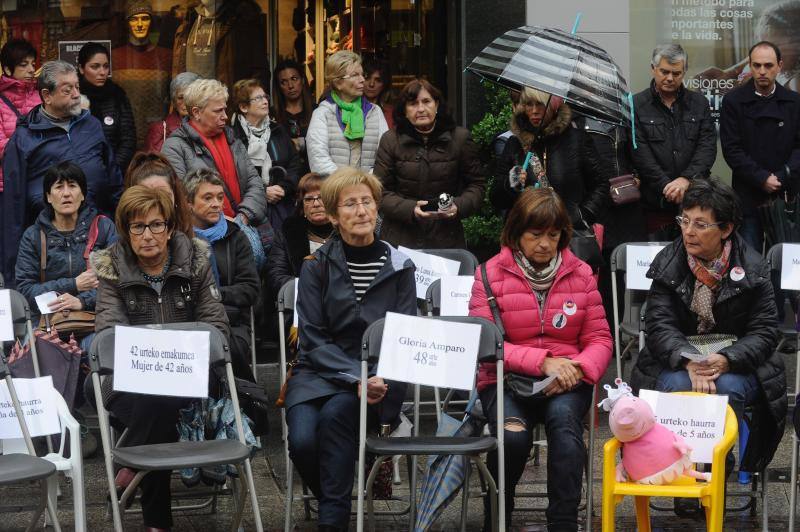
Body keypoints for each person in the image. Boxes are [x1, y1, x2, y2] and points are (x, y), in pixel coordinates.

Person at [469, 187, 612, 530]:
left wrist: (578, 368)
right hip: (505, 380)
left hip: (566, 380)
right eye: (535, 235)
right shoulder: (488, 275)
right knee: (513, 437)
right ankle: (498, 518)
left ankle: (563, 522)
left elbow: (599, 338)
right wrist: (543, 361)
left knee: (565, 430)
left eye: (553, 234)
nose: (545, 244)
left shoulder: (580, 274)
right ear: (516, 233)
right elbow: (485, 343)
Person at [285, 166, 416, 531]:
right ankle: (335, 500)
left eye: (367, 202)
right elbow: (311, 338)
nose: (361, 211)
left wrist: (374, 379)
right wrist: (353, 376)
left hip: (376, 379)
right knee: (302, 441)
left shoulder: (401, 265)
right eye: (350, 205)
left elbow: (403, 336)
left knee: (334, 420)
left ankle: (333, 521)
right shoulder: (315, 267)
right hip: (317, 373)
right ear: (332, 216)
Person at [92, 185, 229, 532]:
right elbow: (109, 334)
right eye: (138, 227)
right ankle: (154, 515)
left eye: (156, 225)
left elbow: (216, 325)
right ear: (126, 231)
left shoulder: (195, 263)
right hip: (128, 380)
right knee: (156, 400)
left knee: (161, 401)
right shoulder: (112, 271)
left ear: (169, 229)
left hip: (192, 376)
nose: (148, 235)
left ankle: (134, 472)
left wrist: (176, 353)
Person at [630, 178, 786, 477]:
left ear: (726, 229)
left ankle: (715, 470)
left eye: (701, 225)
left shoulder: (753, 267)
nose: (688, 231)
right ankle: (682, 473)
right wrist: (689, 359)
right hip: (678, 359)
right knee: (676, 387)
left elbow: (765, 331)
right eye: (684, 221)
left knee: (727, 389)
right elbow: (659, 325)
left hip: (737, 361)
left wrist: (728, 360)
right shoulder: (669, 262)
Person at [1, 60, 123, 287]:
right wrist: (11, 276)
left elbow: (113, 176)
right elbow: (12, 207)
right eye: (68, 90)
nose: (76, 94)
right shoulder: (24, 139)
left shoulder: (92, 125)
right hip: (49, 242)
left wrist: (122, 222)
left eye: (77, 86)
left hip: (96, 232)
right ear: (46, 96)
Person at [15, 161, 116, 350]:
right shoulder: (33, 236)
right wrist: (73, 285)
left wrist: (82, 301)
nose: (66, 193)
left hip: (94, 319)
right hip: (48, 322)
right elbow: (25, 290)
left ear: (83, 194)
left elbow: (118, 282)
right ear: (48, 196)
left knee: (102, 350)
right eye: (59, 187)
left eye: (73, 185)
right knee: (33, 356)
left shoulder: (103, 228)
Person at [374, 78, 485, 249]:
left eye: (426, 101)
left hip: (446, 236)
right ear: (404, 110)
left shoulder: (460, 138)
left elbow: (477, 185)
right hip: (400, 236)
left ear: (437, 105)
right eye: (413, 103)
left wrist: (457, 206)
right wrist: (410, 209)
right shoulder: (390, 140)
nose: (421, 109)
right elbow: (380, 191)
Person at [490, 87, 609, 231]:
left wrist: (581, 216)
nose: (534, 111)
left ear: (554, 106)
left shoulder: (577, 140)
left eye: (540, 104)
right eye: (529, 104)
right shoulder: (515, 144)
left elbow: (601, 184)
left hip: (568, 235)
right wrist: (510, 184)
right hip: (526, 235)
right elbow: (496, 199)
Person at [720, 40, 800, 252]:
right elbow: (732, 149)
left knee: (785, 265)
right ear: (750, 66)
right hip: (748, 196)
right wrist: (761, 178)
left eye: (768, 65)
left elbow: (799, 148)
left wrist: (782, 176)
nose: (762, 71)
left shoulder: (794, 102)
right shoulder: (733, 101)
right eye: (757, 65)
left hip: (786, 196)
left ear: (779, 66)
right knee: (749, 264)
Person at [633, 44, 717, 241]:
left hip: (695, 201)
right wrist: (667, 186)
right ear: (653, 68)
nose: (670, 78)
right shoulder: (636, 104)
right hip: (654, 203)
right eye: (664, 72)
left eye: (676, 73)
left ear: (684, 71)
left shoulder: (699, 103)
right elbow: (640, 154)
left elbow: (707, 148)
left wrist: (686, 179)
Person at [162, 78, 267, 226]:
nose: (225, 116)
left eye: (224, 109)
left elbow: (254, 182)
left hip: (244, 226)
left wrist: (244, 216)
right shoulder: (175, 147)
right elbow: (180, 197)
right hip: (205, 235)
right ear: (196, 112)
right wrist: (223, 224)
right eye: (218, 111)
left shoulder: (232, 140)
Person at [186, 167, 259, 380]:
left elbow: (250, 289)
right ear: (189, 202)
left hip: (231, 321)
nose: (217, 204)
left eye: (220, 197)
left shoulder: (236, 236)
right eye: (207, 198)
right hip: (188, 321)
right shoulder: (178, 239)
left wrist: (213, 295)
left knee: (225, 348)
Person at [231, 78, 301, 232]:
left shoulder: (277, 130)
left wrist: (284, 187)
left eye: (265, 97)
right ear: (243, 107)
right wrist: (263, 191)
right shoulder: (233, 136)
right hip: (250, 209)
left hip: (283, 204)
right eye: (258, 98)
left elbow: (294, 163)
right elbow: (235, 175)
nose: (265, 101)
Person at [306, 51, 389, 176]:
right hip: (334, 191)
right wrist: (346, 183)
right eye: (355, 75)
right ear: (338, 82)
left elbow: (384, 157)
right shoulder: (322, 113)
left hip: (368, 189)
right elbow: (318, 160)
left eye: (362, 74)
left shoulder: (375, 112)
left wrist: (365, 182)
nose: (362, 80)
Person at [267, 172, 333, 296]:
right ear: (302, 205)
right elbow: (276, 275)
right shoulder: (288, 231)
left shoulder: (347, 230)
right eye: (308, 199)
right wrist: (308, 286)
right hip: (301, 301)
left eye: (321, 197)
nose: (316, 204)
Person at [78, 42, 137, 173]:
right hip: (78, 174)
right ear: (81, 68)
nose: (102, 72)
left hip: (114, 173)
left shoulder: (117, 96)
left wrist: (112, 169)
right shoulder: (73, 97)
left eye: (105, 66)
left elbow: (128, 140)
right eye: (95, 67)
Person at [0, 38, 41, 193]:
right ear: (8, 69)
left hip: (39, 182)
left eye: (32, 63)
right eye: (24, 65)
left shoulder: (42, 96)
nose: (31, 69)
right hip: (8, 184)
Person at [125, 151, 194, 236]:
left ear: (175, 197)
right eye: (147, 197)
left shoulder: (196, 244)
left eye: (164, 195)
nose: (157, 203)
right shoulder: (119, 247)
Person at [144, 71, 200, 153]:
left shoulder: (209, 126)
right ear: (173, 102)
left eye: (191, 96)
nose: (186, 102)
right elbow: (154, 162)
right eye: (181, 98)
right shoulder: (160, 130)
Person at [272, 59, 315, 162]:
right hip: (285, 174)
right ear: (279, 86)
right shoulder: (271, 115)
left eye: (294, 79)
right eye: (284, 82)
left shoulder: (317, 111)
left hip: (315, 173)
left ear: (303, 80)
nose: (290, 86)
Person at [363, 57, 395, 129]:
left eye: (378, 80)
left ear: (384, 84)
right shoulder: (350, 109)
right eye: (367, 78)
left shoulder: (392, 114)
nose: (371, 84)